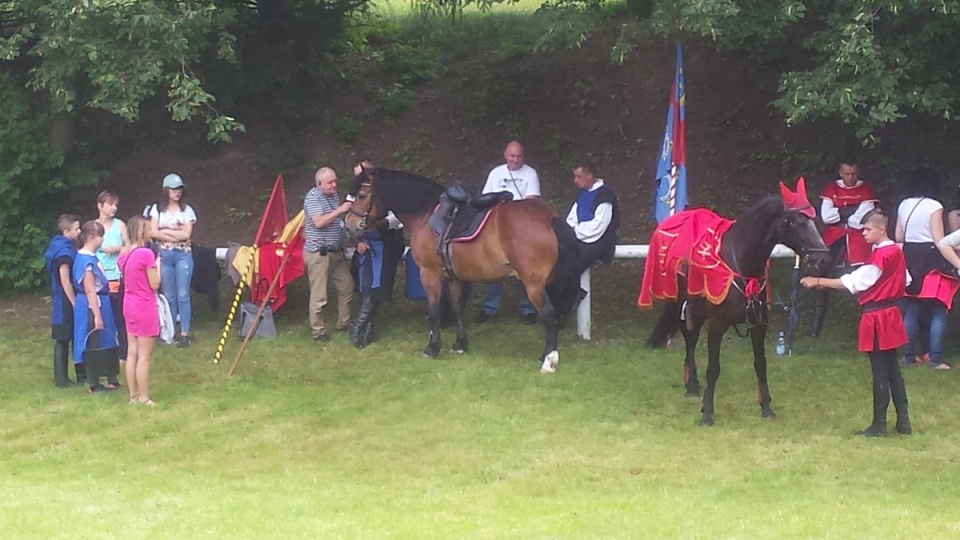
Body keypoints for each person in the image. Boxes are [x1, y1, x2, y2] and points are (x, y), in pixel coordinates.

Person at [800, 209, 911, 436]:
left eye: (868, 229)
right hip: (891, 311)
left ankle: (879, 425)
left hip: (878, 314)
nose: (864, 233)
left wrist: (819, 280)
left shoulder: (882, 254)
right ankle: (903, 422)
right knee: (893, 371)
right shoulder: (896, 252)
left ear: (882, 229)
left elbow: (858, 282)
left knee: (881, 371)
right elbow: (906, 279)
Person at [896, 168, 958, 370]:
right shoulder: (934, 206)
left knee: (911, 311)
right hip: (931, 259)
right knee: (939, 310)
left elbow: (898, 236)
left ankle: (908, 357)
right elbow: (938, 239)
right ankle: (935, 358)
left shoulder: (904, 204)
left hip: (909, 257)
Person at [810, 159, 879, 337]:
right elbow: (826, 217)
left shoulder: (865, 189)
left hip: (858, 237)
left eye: (854, 173)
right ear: (840, 173)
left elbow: (859, 221)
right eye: (847, 174)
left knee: (863, 273)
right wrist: (849, 212)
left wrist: (841, 213)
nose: (850, 177)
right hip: (834, 235)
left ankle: (864, 320)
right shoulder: (832, 189)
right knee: (822, 269)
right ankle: (816, 325)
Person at [476, 141, 541, 324]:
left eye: (519, 156)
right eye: (512, 156)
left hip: (521, 227)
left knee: (525, 267)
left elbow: (532, 202)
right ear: (505, 155)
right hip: (496, 225)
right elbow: (485, 198)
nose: (515, 159)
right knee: (493, 265)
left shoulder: (530, 173)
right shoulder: (496, 173)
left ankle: (528, 308)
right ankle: (489, 308)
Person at [348, 161, 405, 347]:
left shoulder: (388, 191)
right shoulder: (357, 192)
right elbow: (350, 219)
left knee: (378, 286)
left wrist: (376, 224)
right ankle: (366, 327)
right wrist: (358, 241)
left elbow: (398, 218)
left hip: (387, 243)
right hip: (366, 243)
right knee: (365, 286)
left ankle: (359, 326)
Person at [304, 167, 355, 341]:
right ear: (319, 184)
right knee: (319, 295)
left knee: (347, 287)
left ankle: (344, 322)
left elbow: (337, 223)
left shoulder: (333, 196)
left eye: (335, 181)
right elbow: (318, 222)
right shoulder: (313, 198)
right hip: (319, 254)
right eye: (330, 182)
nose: (334, 185)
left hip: (336, 252)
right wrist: (340, 210)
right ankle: (318, 331)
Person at [148, 173, 197, 348]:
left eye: (180, 189)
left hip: (183, 255)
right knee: (169, 295)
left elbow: (187, 235)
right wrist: (176, 234)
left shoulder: (187, 210)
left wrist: (164, 231)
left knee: (183, 294)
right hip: (164, 256)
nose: (178, 193)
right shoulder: (157, 209)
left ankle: (184, 333)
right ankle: (170, 332)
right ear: (166, 190)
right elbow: (152, 232)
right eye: (174, 189)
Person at [73, 220, 121, 393]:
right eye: (101, 236)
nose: (103, 240)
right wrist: (97, 314)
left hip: (101, 301)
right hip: (91, 304)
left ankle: (110, 376)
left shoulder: (92, 257)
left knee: (106, 338)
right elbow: (89, 289)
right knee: (94, 339)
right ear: (92, 237)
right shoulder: (85, 259)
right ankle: (93, 381)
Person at [119, 216, 161, 405]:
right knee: (144, 356)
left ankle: (133, 396)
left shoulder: (123, 254)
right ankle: (144, 397)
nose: (151, 232)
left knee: (132, 352)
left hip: (128, 303)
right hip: (144, 305)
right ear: (141, 232)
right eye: (148, 229)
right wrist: (158, 266)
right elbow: (155, 283)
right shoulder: (146, 254)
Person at [44, 214, 80, 388]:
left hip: (62, 297)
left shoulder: (59, 245)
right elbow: (65, 280)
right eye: (76, 229)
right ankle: (61, 379)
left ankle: (78, 374)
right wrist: (74, 302)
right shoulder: (63, 252)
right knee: (63, 337)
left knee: (67, 337)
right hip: (65, 299)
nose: (79, 232)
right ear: (66, 231)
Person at [565, 162, 620, 276]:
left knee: (570, 267)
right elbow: (571, 218)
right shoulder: (582, 193)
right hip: (580, 237)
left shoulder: (605, 195)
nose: (575, 181)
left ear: (589, 176)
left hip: (598, 241)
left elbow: (598, 226)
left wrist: (575, 231)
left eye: (578, 177)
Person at [95, 190, 129, 365]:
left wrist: (118, 248)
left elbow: (130, 247)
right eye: (110, 204)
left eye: (116, 204)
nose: (114, 208)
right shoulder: (92, 226)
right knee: (99, 314)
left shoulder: (120, 225)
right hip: (97, 277)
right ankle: (100, 350)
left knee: (119, 315)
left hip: (116, 276)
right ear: (100, 206)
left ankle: (123, 353)